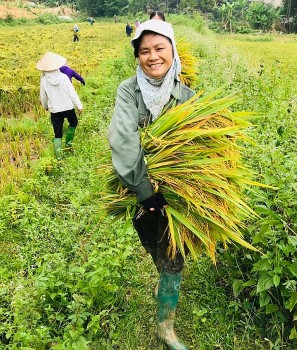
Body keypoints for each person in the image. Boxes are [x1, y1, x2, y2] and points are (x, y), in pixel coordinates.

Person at [107, 20, 194, 350]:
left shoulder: (186, 94)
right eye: (144, 51)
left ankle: (165, 327)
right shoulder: (129, 90)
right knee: (152, 245)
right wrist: (145, 191)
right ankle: (164, 279)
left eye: (160, 48)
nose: (152, 57)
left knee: (174, 256)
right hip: (138, 190)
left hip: (177, 195)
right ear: (137, 56)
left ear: (173, 50)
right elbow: (124, 139)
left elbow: (198, 146)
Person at [36, 52, 83, 160]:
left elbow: (43, 96)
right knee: (74, 122)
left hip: (55, 109)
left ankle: (59, 157)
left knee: (58, 132)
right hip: (67, 107)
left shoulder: (43, 80)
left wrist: (45, 106)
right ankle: (68, 145)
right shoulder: (63, 77)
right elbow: (72, 93)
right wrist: (79, 106)